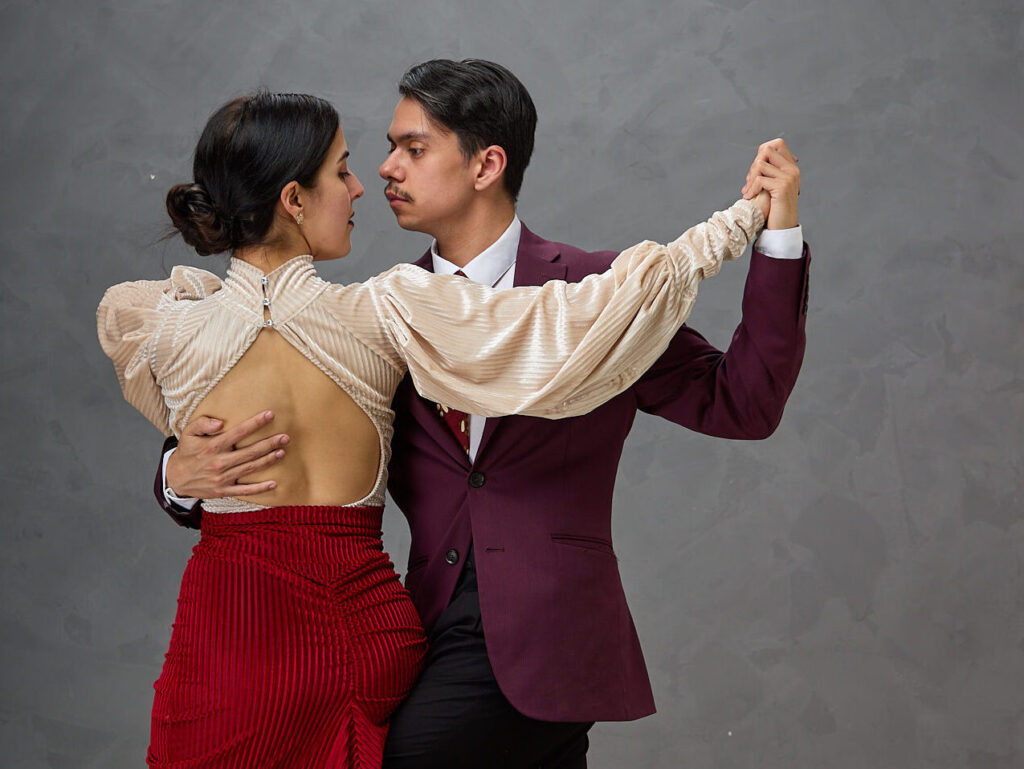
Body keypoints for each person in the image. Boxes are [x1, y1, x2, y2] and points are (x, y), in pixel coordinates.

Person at [99, 89, 770, 767]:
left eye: (401, 152)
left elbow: (205, 427)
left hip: (234, 638)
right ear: (293, 200)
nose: (364, 184)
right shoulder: (387, 315)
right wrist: (736, 225)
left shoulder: (157, 328)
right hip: (369, 632)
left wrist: (177, 470)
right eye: (342, 170)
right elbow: (576, 323)